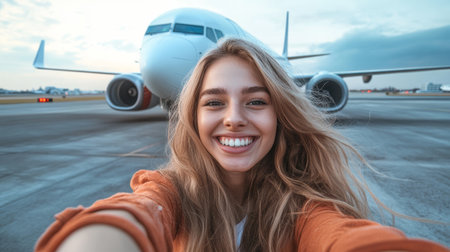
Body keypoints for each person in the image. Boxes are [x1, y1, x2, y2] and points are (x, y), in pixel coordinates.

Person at [35, 38, 448, 252]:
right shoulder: (169, 191)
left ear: (281, 113)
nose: (234, 117)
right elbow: (141, 210)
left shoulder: (306, 206)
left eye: (256, 101)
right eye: (213, 102)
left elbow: (340, 236)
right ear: (192, 116)